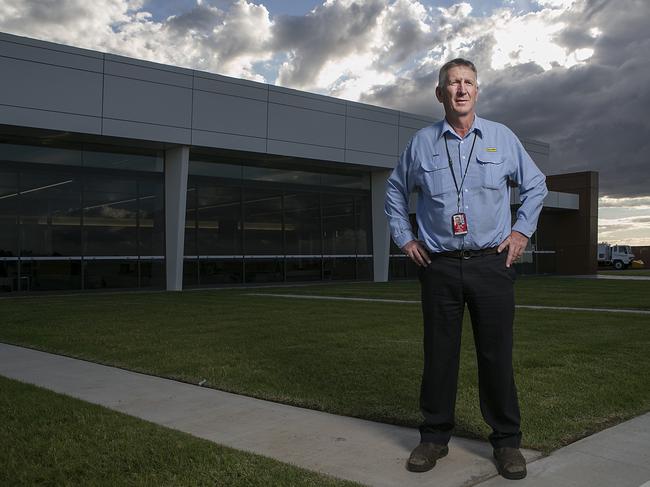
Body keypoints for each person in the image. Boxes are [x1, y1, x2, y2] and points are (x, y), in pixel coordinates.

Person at [384, 58, 547, 480]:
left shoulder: (501, 138)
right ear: (440, 93)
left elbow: (536, 184)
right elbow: (395, 192)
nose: (461, 89)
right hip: (439, 267)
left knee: (496, 356)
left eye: (468, 82)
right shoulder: (421, 143)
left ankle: (507, 443)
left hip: (492, 265)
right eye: (452, 83)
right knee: (439, 356)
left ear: (477, 91)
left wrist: (521, 233)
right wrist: (406, 238)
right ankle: (434, 437)